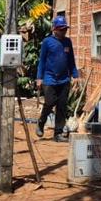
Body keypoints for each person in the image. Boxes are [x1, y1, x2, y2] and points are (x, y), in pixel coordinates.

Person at [36, 13, 79, 141]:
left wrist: (75, 74)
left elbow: (71, 60)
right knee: (50, 102)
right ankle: (41, 122)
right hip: (49, 78)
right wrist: (39, 78)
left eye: (65, 29)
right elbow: (42, 61)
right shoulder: (47, 42)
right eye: (61, 29)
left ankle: (58, 133)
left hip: (64, 79)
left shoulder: (67, 42)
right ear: (54, 29)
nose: (63, 31)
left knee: (61, 105)